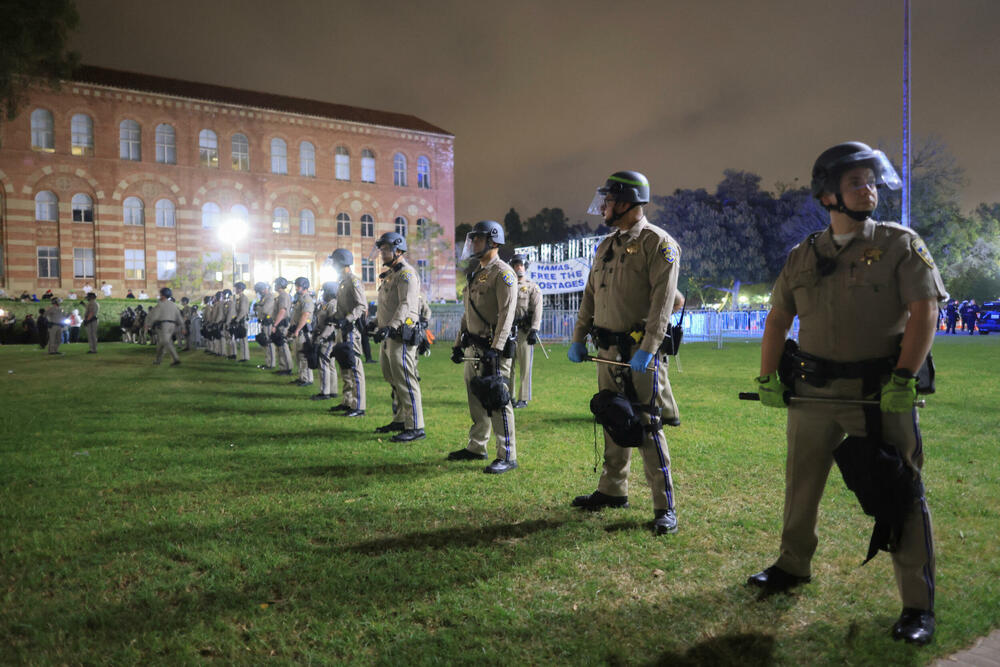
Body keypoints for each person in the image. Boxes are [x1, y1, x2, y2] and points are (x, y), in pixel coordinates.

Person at [748, 142, 945, 646]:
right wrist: (767, 377)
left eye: (871, 181)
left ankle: (917, 605)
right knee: (801, 483)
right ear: (827, 195)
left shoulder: (899, 244)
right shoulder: (803, 255)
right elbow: (778, 318)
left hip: (879, 394)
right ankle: (792, 565)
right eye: (856, 182)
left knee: (900, 489)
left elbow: (925, 311)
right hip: (813, 392)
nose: (868, 189)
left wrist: (905, 376)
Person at [567, 170, 682, 536]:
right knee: (613, 417)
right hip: (606, 350)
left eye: (610, 200)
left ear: (629, 203)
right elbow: (590, 295)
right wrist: (578, 336)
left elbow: (663, 304)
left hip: (638, 353)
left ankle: (664, 506)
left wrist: (649, 349)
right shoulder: (605, 245)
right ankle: (612, 490)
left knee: (647, 424)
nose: (604, 206)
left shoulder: (658, 243)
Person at [447, 220, 519, 473]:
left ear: (493, 241)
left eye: (478, 239)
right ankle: (477, 446)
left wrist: (496, 349)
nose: (474, 243)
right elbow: (468, 313)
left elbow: (507, 315)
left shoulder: (503, 273)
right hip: (474, 347)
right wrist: (458, 344)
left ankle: (507, 454)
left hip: (492, 349)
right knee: (475, 399)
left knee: (498, 400)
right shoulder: (477, 272)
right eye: (473, 239)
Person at [371, 232, 425, 442]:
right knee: (393, 379)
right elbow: (388, 305)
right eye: (381, 249)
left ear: (398, 250)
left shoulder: (406, 274)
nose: (382, 253)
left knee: (406, 381)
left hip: (401, 335)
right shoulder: (391, 275)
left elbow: (406, 305)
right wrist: (376, 323)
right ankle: (401, 419)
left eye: (386, 249)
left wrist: (391, 326)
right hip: (389, 335)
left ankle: (416, 426)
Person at [327, 249, 368, 417]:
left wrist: (348, 319)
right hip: (342, 329)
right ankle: (347, 401)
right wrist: (335, 318)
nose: (332, 265)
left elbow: (361, 305)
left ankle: (358, 405)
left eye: (334, 262)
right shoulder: (342, 281)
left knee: (354, 367)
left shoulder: (353, 281)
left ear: (341, 262)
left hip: (351, 329)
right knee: (344, 366)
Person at [508, 253, 543, 408]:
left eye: (521, 265)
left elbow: (538, 309)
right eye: (516, 265)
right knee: (508, 365)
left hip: (524, 331)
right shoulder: (507, 285)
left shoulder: (532, 287)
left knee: (525, 366)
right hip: (508, 331)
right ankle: (508, 396)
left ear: (525, 267)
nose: (519, 268)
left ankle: (523, 398)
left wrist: (534, 329)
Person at [311, 281, 340, 400]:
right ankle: (332, 390)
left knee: (323, 363)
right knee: (330, 364)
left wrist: (321, 337)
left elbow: (331, 324)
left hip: (328, 338)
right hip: (326, 337)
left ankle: (325, 392)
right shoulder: (327, 304)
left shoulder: (333, 305)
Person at [147, 287, 184, 366]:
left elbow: (155, 316)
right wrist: (183, 327)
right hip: (172, 326)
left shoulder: (160, 304)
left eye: (160, 294)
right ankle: (158, 360)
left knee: (166, 342)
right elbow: (179, 316)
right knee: (161, 344)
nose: (160, 296)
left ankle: (175, 359)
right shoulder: (173, 305)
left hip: (164, 325)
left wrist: (149, 324)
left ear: (163, 295)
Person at [289, 277, 315, 386]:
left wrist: (297, 330)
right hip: (298, 331)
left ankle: (307, 379)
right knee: (298, 356)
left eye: (298, 286)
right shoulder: (300, 299)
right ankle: (302, 377)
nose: (296, 288)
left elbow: (305, 316)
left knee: (304, 356)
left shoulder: (306, 299)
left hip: (303, 332)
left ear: (304, 286)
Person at [271, 277, 294, 375]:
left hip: (282, 323)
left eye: (276, 284)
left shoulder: (283, 296)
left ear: (280, 285)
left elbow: (282, 311)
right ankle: (283, 367)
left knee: (283, 345)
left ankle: (287, 368)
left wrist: (275, 324)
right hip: (281, 323)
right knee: (280, 346)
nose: (275, 285)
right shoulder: (282, 295)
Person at [253, 282, 276, 369]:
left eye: (259, 291)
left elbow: (265, 310)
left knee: (269, 342)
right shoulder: (264, 298)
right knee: (265, 343)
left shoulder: (270, 296)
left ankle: (271, 364)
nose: (259, 293)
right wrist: (258, 306)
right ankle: (268, 363)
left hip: (268, 322)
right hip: (263, 322)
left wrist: (258, 306)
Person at [232, 283, 250, 361]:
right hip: (240, 320)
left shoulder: (243, 298)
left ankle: (245, 357)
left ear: (240, 289)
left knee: (243, 339)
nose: (235, 290)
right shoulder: (240, 298)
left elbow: (243, 311)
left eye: (236, 288)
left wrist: (237, 320)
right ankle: (243, 356)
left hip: (242, 320)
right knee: (242, 340)